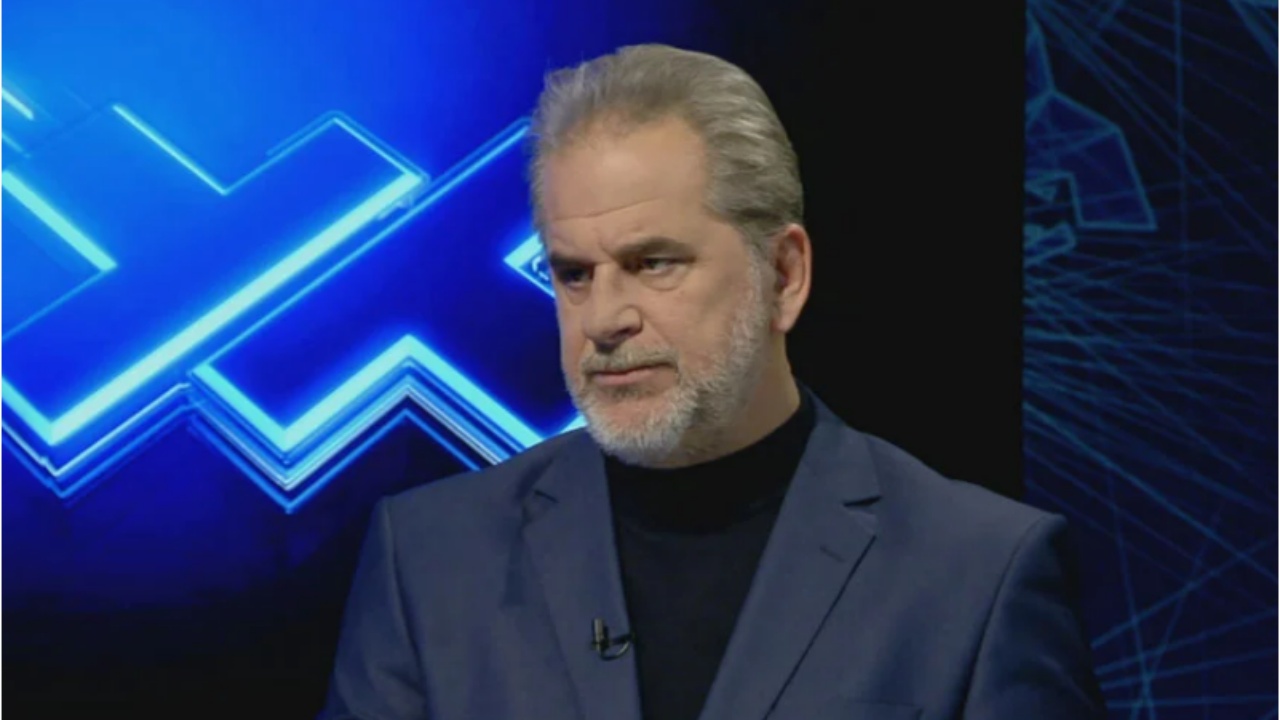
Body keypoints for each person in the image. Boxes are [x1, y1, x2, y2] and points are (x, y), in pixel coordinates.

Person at [319, 44, 1104, 720]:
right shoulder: (428, 562)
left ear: (784, 275)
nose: (604, 319)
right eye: (573, 274)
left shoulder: (977, 573)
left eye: (653, 262)